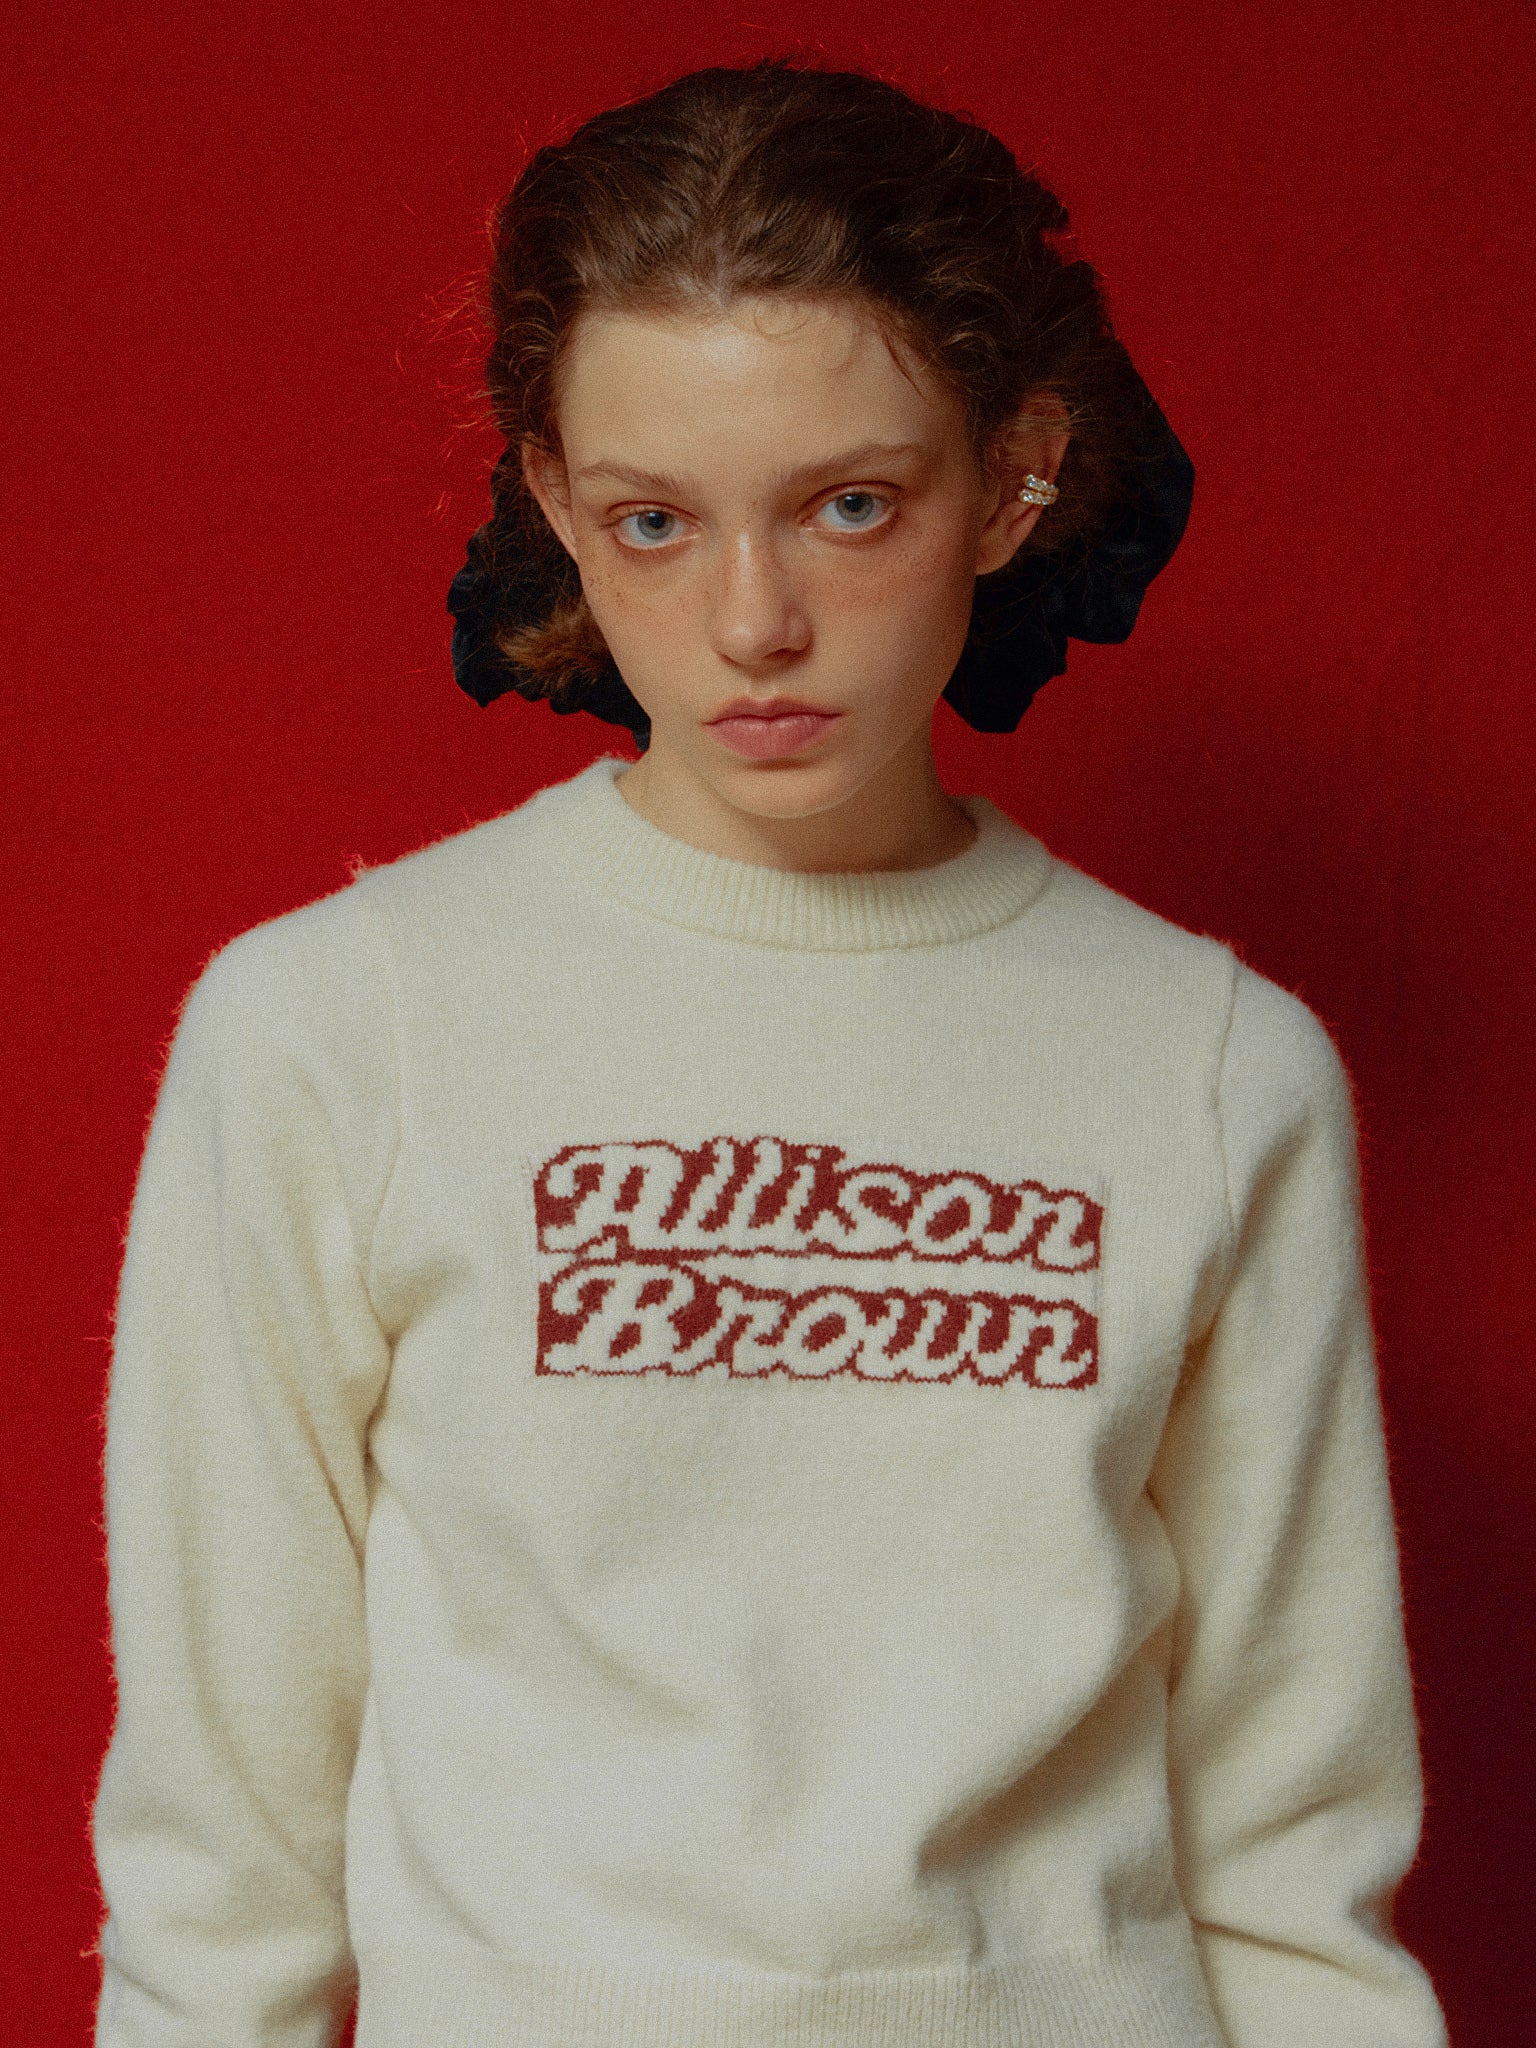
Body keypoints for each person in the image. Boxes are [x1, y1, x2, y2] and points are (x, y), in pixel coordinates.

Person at [90, 58, 1450, 2048]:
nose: (753, 623)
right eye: (655, 520)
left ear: (1017, 476)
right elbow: (224, 1854)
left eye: (851, 505)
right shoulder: (338, 1027)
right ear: (558, 503)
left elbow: (1293, 1852)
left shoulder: (1217, 1064)